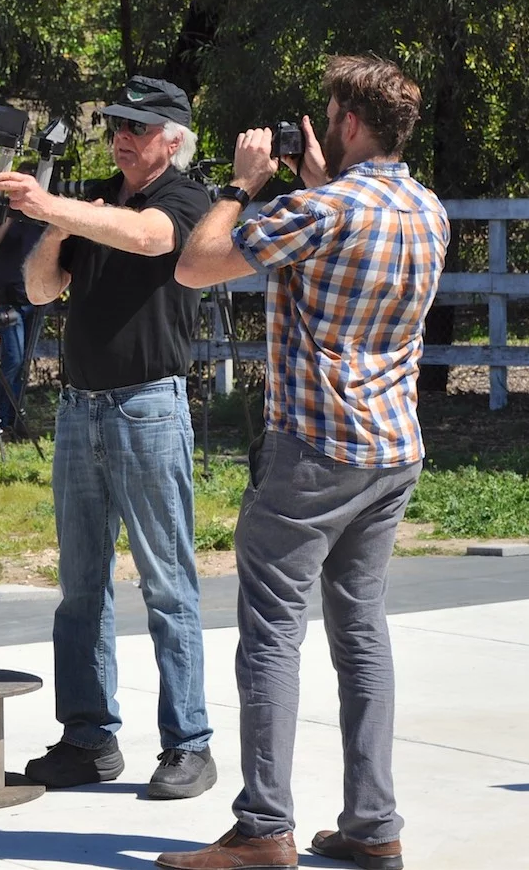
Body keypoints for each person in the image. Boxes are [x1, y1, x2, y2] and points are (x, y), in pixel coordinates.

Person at [160, 55, 448, 870]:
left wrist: (243, 183)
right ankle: (373, 821)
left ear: (352, 123)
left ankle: (263, 828)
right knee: (362, 631)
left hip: (314, 450)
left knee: (272, 634)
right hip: (392, 449)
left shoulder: (322, 211)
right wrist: (319, 180)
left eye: (330, 114)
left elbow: (195, 263)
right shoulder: (428, 209)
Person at [0, 75, 215, 800]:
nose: (120, 137)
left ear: (171, 141)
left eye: (137, 128)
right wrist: (60, 223)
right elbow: (38, 289)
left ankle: (189, 743)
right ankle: (88, 738)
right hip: (80, 406)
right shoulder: (95, 199)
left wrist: (58, 206)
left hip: (147, 407)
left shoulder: (183, 199)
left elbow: (150, 240)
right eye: (117, 124)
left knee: (166, 584)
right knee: (80, 587)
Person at [0, 163, 44, 432]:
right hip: (7, 299)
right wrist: (9, 221)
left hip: (35, 299)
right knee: (12, 361)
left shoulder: (43, 212)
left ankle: (13, 420)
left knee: (24, 363)